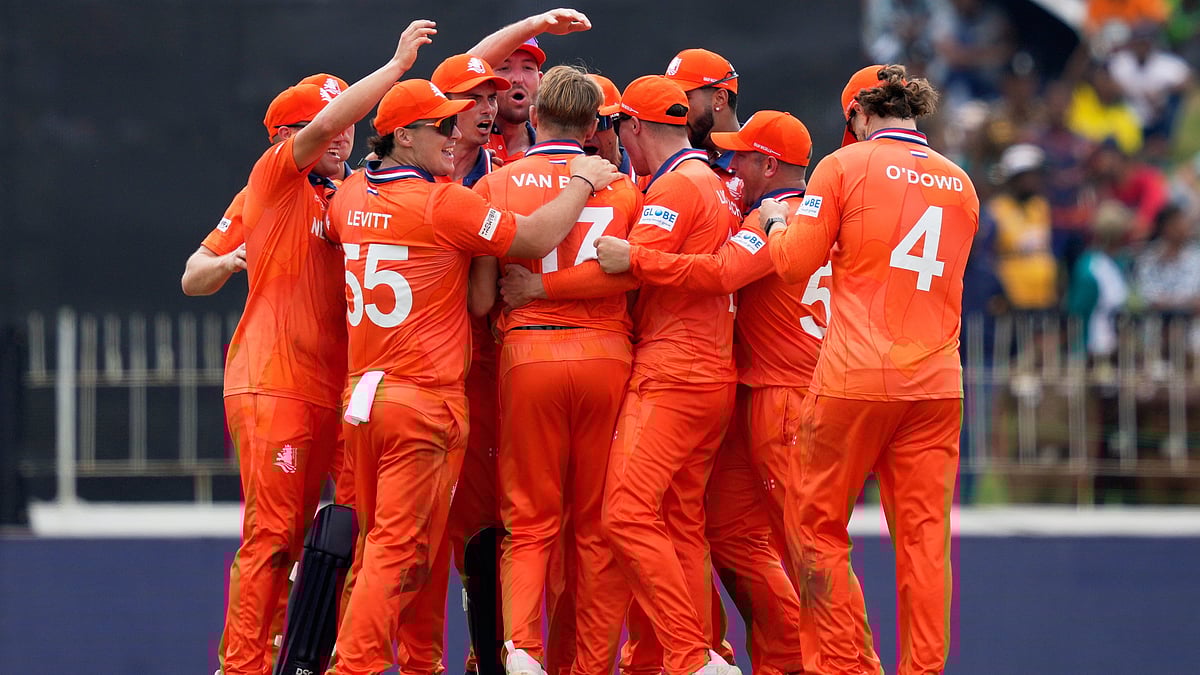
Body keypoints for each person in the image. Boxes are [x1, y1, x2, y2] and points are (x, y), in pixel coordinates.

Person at [324, 77, 619, 675]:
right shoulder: (444, 203)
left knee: (381, 546)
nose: (456, 134)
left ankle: (395, 661)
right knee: (397, 547)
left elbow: (342, 226)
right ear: (403, 136)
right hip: (422, 401)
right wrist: (586, 179)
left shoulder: (347, 197)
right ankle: (354, 665)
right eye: (441, 126)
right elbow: (532, 238)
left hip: (364, 399)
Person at [216, 22, 440, 675]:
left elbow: (429, 138)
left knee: (349, 534)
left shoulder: (346, 196)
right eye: (327, 122)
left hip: (344, 393)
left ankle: (322, 658)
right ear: (290, 136)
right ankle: (245, 665)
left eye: (347, 122)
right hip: (276, 384)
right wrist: (395, 68)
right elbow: (195, 270)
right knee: (274, 537)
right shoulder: (275, 177)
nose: (343, 133)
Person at [758, 64, 979, 674]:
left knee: (815, 527)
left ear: (857, 113)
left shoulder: (842, 165)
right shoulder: (962, 184)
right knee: (925, 544)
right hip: (937, 384)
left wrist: (777, 222)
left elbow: (795, 265)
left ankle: (838, 667)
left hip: (855, 378)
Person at [472, 64, 641, 675]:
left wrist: (531, 291)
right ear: (595, 126)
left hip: (529, 359)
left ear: (536, 118)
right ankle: (590, 664)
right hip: (606, 361)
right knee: (596, 527)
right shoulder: (622, 190)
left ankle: (522, 649)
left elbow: (486, 299)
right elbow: (632, 271)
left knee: (530, 518)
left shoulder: (500, 183)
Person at [469, 9, 593, 162]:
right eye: (504, 68)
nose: (518, 79)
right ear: (487, 79)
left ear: (540, 81)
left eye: (527, 68)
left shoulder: (553, 149)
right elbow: (461, 69)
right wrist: (534, 25)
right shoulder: (460, 134)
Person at [664, 48, 743, 202]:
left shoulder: (760, 165)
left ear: (720, 99)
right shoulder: (662, 159)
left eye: (684, 97)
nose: (674, 108)